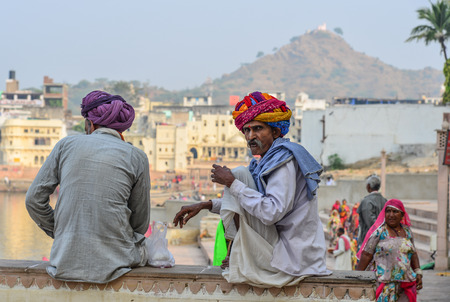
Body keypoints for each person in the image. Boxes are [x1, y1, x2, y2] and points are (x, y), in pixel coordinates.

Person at [173, 91, 330, 287]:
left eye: (257, 129)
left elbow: (271, 211)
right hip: (285, 251)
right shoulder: (265, 162)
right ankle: (238, 254)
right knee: (240, 177)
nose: (250, 136)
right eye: (246, 130)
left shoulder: (283, 163)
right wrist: (206, 204)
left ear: (275, 131)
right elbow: (251, 200)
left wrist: (232, 182)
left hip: (292, 258)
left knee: (238, 174)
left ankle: (238, 255)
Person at [26, 90, 151, 283]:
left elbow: (33, 200)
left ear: (90, 124)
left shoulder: (65, 145)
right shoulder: (136, 156)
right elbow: (140, 224)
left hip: (63, 261)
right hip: (117, 262)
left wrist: (61, 231)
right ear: (121, 130)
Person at [356, 199, 423, 301]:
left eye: (395, 211)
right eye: (388, 211)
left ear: (402, 215)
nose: (391, 215)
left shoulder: (407, 231)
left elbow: (413, 252)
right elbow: (366, 254)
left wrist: (418, 271)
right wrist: (357, 276)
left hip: (404, 284)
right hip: (384, 284)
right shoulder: (379, 232)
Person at [357, 175, 387, 248]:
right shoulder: (385, 200)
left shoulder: (366, 201)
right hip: (382, 238)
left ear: (368, 186)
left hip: (369, 240)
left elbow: (370, 221)